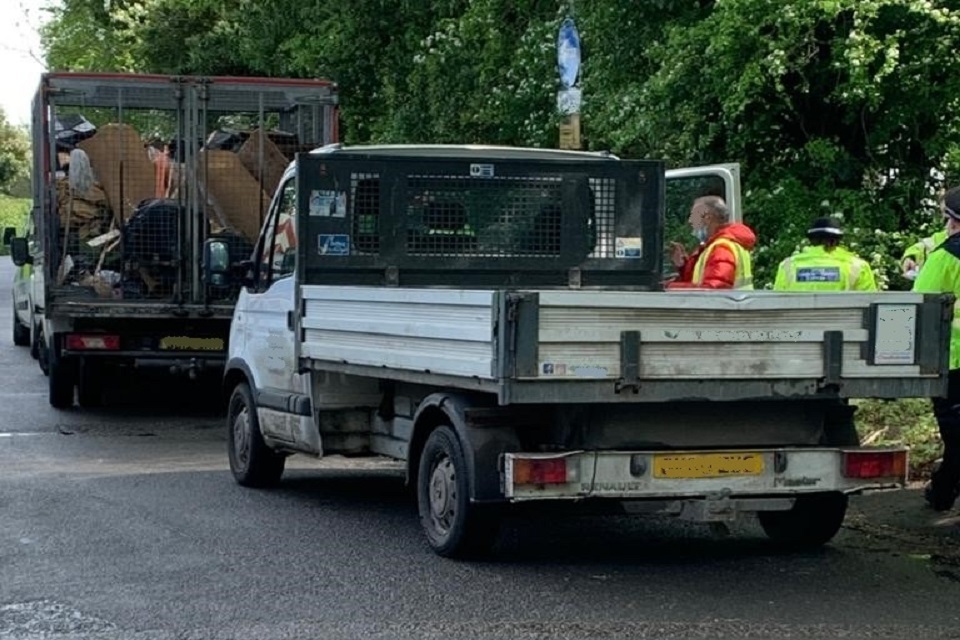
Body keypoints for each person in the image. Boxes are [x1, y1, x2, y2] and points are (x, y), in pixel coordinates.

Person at [912, 186, 960, 511]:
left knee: (956, 436)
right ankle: (942, 490)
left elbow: (919, 306)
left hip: (953, 363)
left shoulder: (945, 257)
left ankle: (943, 490)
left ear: (952, 221)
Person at [667, 195, 756, 290]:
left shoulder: (722, 248)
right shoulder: (718, 245)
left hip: (724, 305)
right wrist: (683, 266)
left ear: (708, 218)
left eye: (694, 216)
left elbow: (712, 290)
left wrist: (668, 287)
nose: (690, 221)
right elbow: (704, 282)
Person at [772, 216, 878, 291]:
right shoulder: (858, 267)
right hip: (844, 322)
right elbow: (870, 306)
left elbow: (777, 302)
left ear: (811, 240)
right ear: (838, 241)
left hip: (797, 322)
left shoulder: (787, 266)